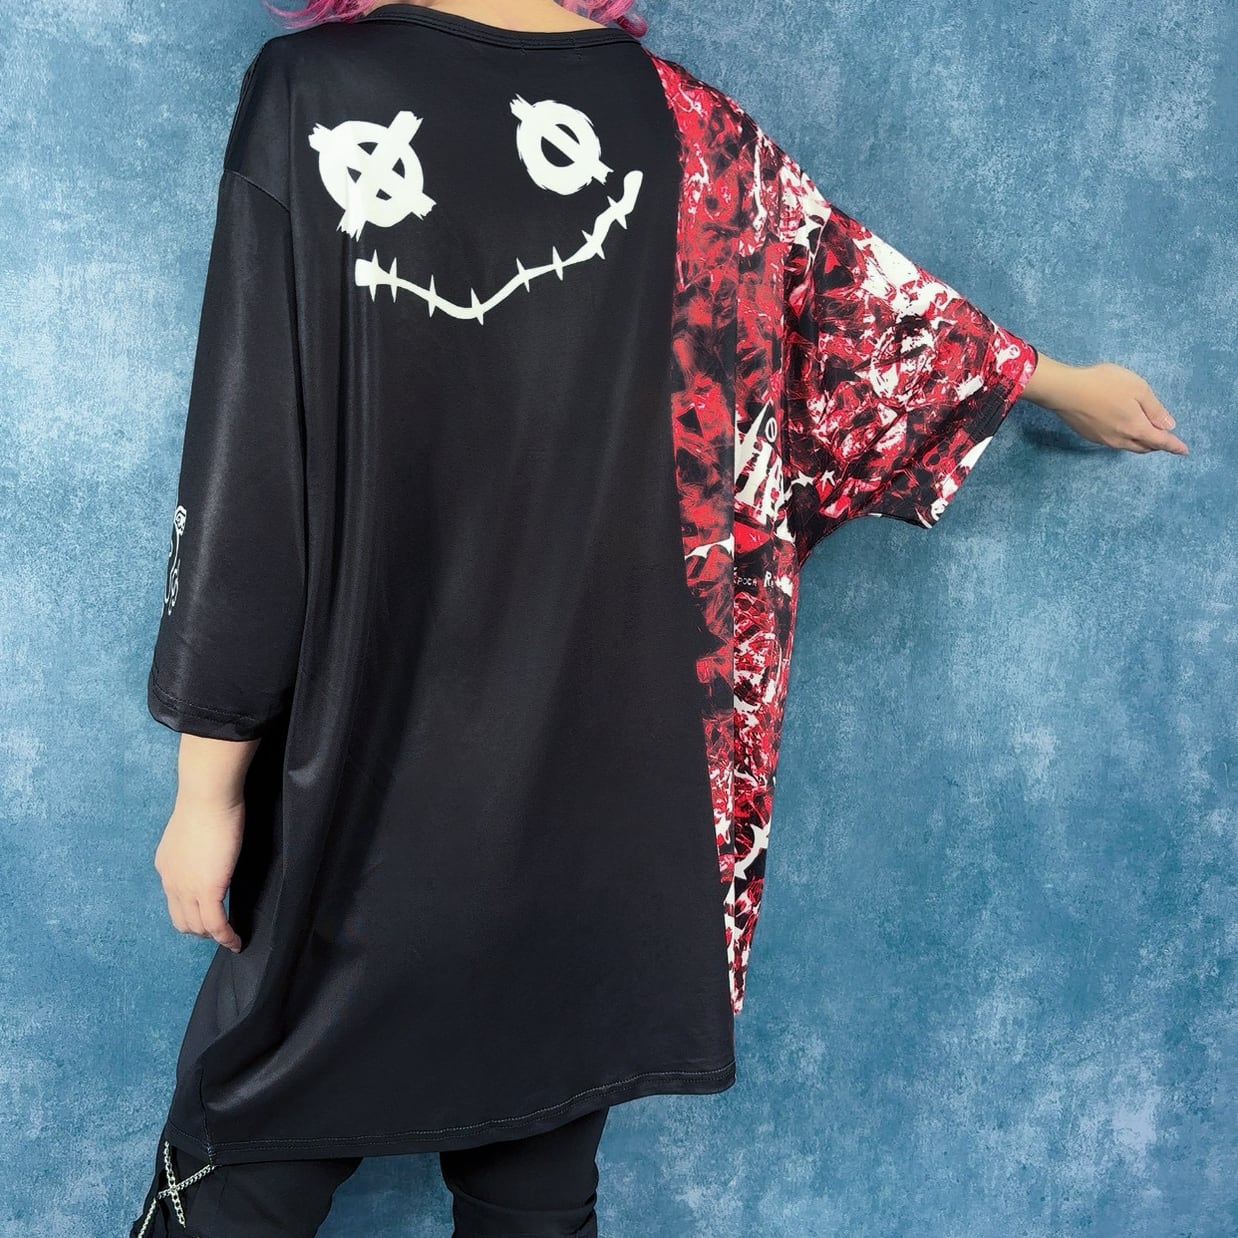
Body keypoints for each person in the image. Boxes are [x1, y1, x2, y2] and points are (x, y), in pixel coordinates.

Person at [128, 0, 1188, 1234]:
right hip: (618, 805)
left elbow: (252, 464)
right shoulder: (692, 129)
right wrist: (1054, 380)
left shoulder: (313, 88)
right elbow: (870, 311)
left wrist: (208, 787)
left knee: (246, 1144)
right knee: (534, 1179)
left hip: (371, 780)